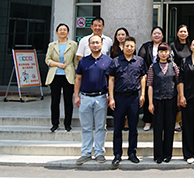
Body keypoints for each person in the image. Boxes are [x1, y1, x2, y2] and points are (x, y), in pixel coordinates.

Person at [107, 37, 147, 167]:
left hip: (134, 97)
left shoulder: (139, 61)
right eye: (127, 46)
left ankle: (132, 153)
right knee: (117, 127)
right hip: (119, 98)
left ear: (135, 48)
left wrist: (143, 94)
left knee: (133, 128)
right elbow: (111, 79)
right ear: (123, 47)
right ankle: (117, 154)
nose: (129, 48)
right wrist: (111, 97)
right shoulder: (115, 61)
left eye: (132, 46)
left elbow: (143, 77)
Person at [74, 35, 113, 165]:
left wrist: (110, 96)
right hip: (85, 97)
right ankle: (86, 153)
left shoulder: (108, 61)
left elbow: (111, 80)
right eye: (93, 43)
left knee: (101, 127)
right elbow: (78, 78)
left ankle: (99, 152)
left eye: (97, 42)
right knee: (86, 127)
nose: (95, 45)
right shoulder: (83, 61)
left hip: (101, 97)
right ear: (89, 45)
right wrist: (76, 96)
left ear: (102, 44)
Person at [147, 43, 179, 164]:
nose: (163, 54)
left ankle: (167, 154)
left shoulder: (174, 66)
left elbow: (178, 82)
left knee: (169, 127)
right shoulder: (153, 67)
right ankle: (158, 155)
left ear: (169, 53)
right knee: (158, 128)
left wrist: (179, 98)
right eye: (161, 51)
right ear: (158, 53)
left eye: (165, 51)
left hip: (171, 100)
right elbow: (150, 85)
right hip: (157, 100)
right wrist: (150, 103)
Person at [45, 23, 78, 133]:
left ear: (68, 32)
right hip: (55, 75)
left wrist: (77, 74)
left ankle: (67, 124)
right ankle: (55, 123)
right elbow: (47, 60)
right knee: (55, 101)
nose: (62, 31)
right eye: (60, 30)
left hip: (68, 75)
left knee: (68, 100)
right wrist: (57, 64)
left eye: (64, 30)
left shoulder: (73, 44)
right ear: (57, 32)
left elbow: (76, 61)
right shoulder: (52, 45)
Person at [138, 26, 165, 131]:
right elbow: (141, 60)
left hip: (162, 76)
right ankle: (148, 121)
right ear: (151, 35)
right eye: (154, 33)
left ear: (162, 35)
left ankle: (160, 121)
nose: (157, 35)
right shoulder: (146, 46)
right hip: (149, 75)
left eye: (159, 33)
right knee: (148, 98)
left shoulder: (165, 46)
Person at [170, 25, 191, 131]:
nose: (183, 33)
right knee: (178, 99)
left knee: (187, 99)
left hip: (189, 75)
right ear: (177, 33)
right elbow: (171, 61)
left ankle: (184, 121)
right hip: (177, 75)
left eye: (185, 32)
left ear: (187, 33)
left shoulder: (190, 45)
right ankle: (176, 122)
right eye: (181, 31)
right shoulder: (173, 46)